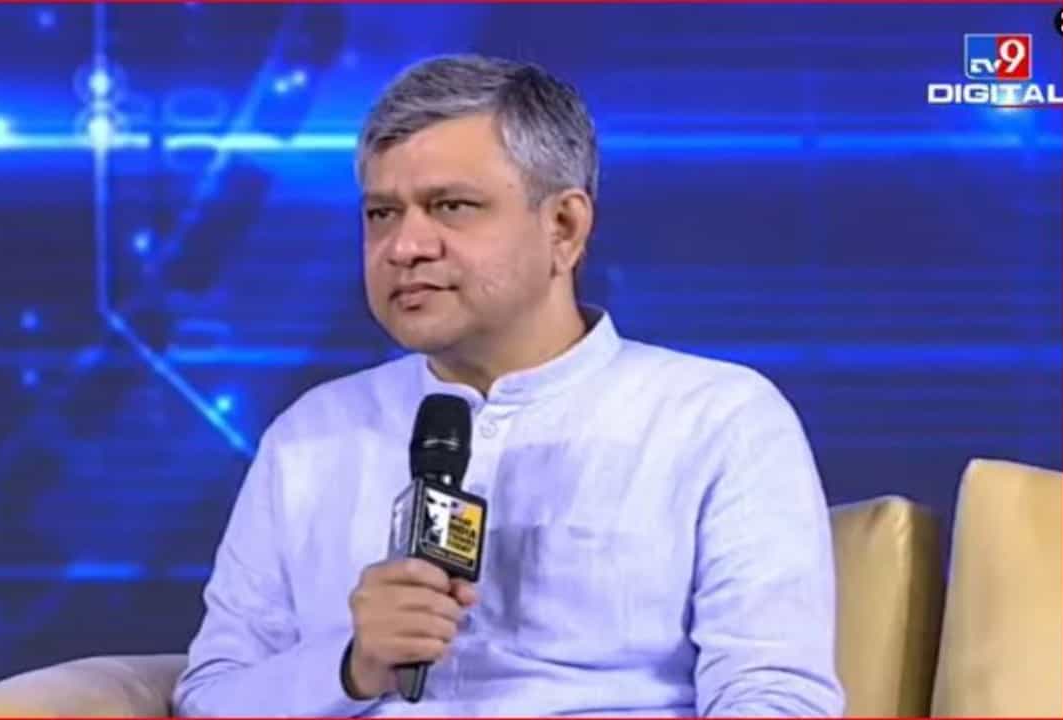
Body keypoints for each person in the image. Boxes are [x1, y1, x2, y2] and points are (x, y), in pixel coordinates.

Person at [173, 54, 845, 717]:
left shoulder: (715, 419)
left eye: (451, 206)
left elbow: (776, 698)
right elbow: (208, 698)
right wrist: (348, 666)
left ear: (564, 228)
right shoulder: (311, 433)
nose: (404, 247)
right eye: (381, 214)